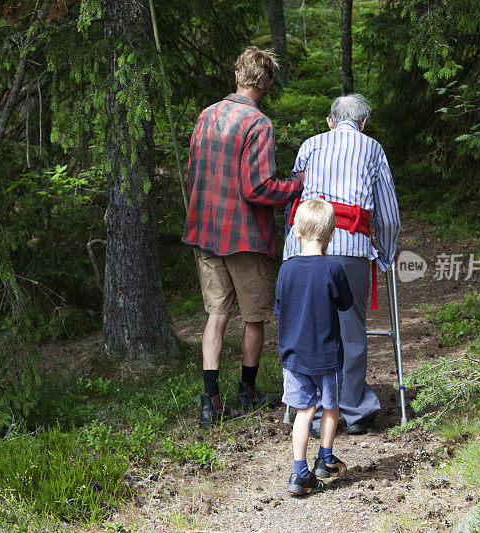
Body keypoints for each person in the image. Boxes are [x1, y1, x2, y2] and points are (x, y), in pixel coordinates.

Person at [182, 46, 304, 428]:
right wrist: (297, 186)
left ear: (237, 77)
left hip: (205, 231)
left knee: (216, 316)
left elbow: (194, 172)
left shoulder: (206, 116)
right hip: (244, 237)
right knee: (254, 317)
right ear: (265, 85)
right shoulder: (259, 124)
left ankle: (209, 402)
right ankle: (246, 393)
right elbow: (259, 188)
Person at [283, 94, 400, 437]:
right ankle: (350, 410)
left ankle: (310, 409)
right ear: (363, 123)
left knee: (308, 328)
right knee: (350, 331)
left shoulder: (310, 145)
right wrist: (387, 255)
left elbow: (294, 199)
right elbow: (389, 216)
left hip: (302, 249)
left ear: (330, 121)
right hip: (350, 246)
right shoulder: (372, 148)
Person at [276, 198, 353, 495]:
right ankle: (325, 458)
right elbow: (346, 303)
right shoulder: (333, 269)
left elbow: (280, 310)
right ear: (331, 235)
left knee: (303, 411)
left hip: (294, 356)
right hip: (327, 355)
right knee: (330, 407)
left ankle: (299, 473)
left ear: (296, 233)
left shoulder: (285, 270)